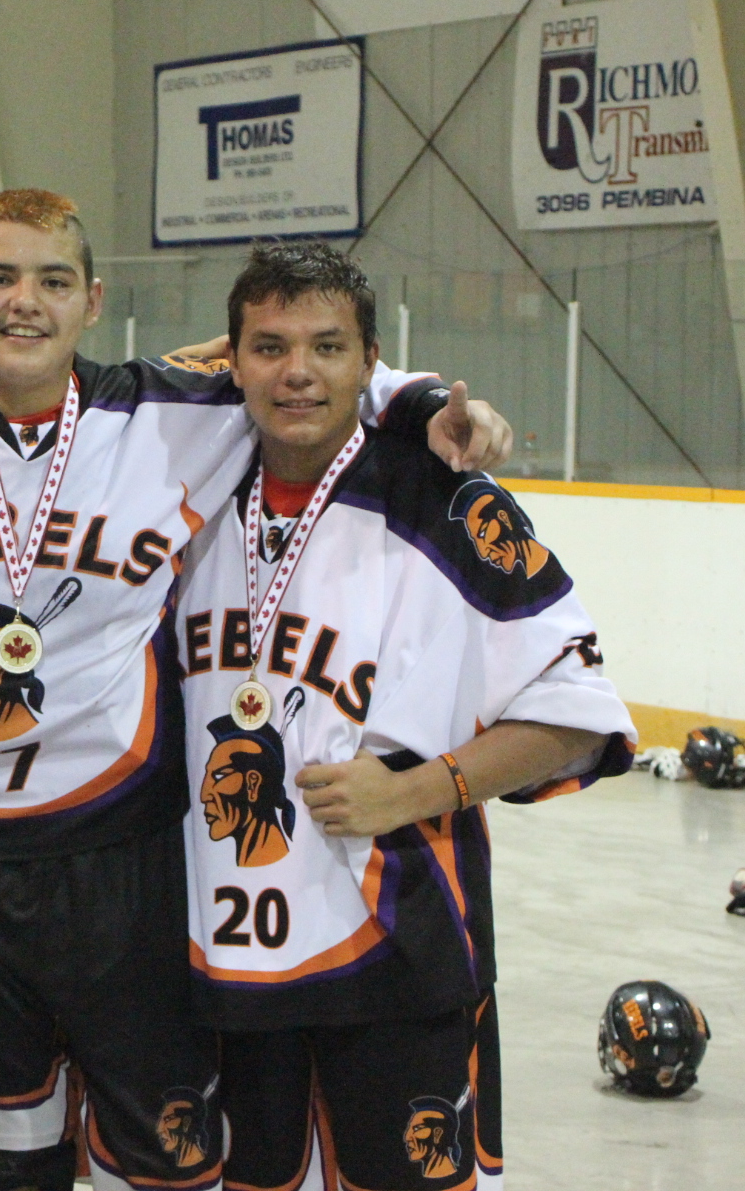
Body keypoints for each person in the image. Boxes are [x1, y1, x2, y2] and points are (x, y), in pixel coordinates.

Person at [0, 189, 512, 1191]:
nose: (22, 302)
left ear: (93, 298)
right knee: (0, 1159)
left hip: (129, 865)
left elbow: (306, 367)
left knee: (159, 1164)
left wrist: (427, 401)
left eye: (51, 280)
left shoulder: (176, 408)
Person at [173, 242, 633, 1191]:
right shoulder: (183, 495)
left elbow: (579, 715)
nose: (297, 371)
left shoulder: (446, 499)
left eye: (328, 347)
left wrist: (420, 788)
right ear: (233, 359)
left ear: (368, 359)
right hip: (218, 970)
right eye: (267, 347)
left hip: (397, 962)